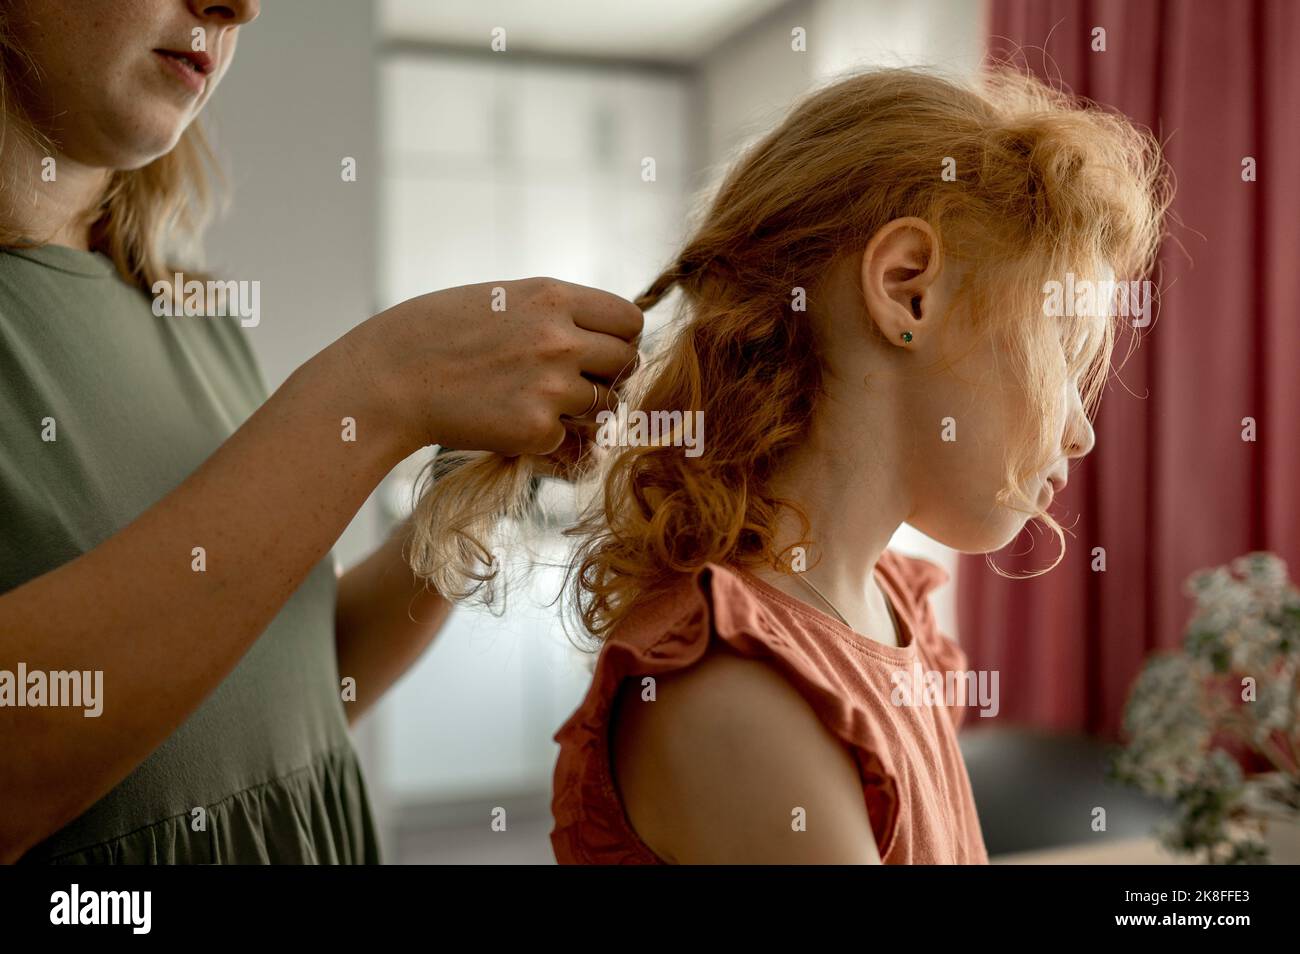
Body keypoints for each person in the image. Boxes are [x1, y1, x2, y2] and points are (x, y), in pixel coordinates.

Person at [410, 66, 1169, 863]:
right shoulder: (737, 694)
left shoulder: (887, 607)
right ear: (909, 291)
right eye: (1062, 352)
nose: (1080, 433)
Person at [0, 0, 641, 864]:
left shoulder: (193, 318)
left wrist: (484, 481)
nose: (241, 6)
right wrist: (380, 387)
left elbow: (303, 680)